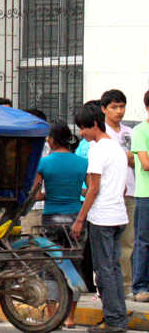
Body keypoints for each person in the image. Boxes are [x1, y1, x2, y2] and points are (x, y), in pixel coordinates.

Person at [73, 103, 128, 333]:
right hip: (118, 215)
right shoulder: (116, 147)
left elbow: (93, 188)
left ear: (94, 124)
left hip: (102, 218)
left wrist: (80, 219)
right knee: (113, 269)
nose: (81, 134)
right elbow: (121, 187)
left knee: (104, 271)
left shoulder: (97, 149)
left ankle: (114, 321)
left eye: (83, 129)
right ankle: (118, 318)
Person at [32, 121, 85, 327]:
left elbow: (36, 195)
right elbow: (88, 190)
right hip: (75, 218)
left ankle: (53, 314)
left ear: (51, 140)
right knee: (74, 265)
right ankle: (71, 317)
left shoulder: (44, 163)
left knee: (50, 267)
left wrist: (49, 193)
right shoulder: (82, 162)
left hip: (51, 218)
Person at [100, 89, 137, 295]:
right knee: (107, 244)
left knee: (128, 242)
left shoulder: (128, 132)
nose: (119, 111)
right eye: (114, 107)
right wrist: (126, 157)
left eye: (121, 107)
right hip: (109, 194)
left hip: (130, 190)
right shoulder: (103, 133)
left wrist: (126, 157)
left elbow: (137, 159)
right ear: (104, 109)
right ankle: (107, 286)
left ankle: (126, 285)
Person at [133, 90, 149, 303]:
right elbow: (146, 164)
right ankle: (140, 287)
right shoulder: (140, 131)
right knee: (144, 241)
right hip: (146, 195)